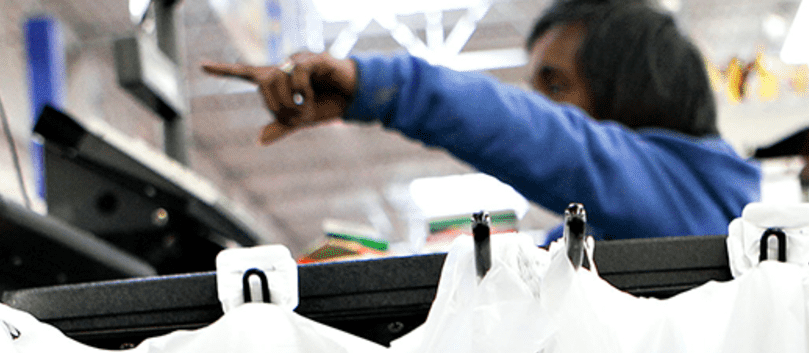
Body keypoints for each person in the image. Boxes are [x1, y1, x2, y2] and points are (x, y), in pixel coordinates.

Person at [202, 0, 760, 243]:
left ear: (631, 89)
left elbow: (556, 142)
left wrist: (385, 88)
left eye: (555, 86)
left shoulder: (699, 201)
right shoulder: (612, 234)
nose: (542, 109)